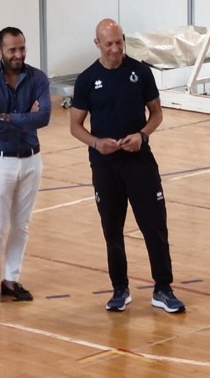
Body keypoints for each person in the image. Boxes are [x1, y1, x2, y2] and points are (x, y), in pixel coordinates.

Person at [68, 18, 185, 313]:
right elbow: (75, 126)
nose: (115, 48)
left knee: (154, 226)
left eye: (119, 42)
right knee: (112, 228)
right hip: (105, 166)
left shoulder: (140, 72)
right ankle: (119, 288)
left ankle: (163, 288)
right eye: (109, 44)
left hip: (139, 162)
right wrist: (97, 143)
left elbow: (156, 113)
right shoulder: (86, 80)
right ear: (97, 43)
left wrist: (142, 136)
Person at [0, 26, 51, 302]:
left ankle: (11, 280)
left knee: (21, 225)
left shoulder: (38, 78)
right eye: (12, 50)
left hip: (31, 160)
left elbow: (44, 118)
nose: (19, 54)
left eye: (22, 48)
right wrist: (25, 118)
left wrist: (7, 117)